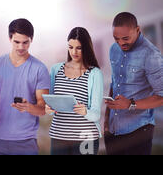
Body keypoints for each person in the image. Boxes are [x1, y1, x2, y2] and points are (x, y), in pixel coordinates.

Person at [0, 18, 50, 155]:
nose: (21, 47)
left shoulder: (40, 69)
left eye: (25, 42)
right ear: (10, 38)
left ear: (31, 39)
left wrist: (29, 107)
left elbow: (42, 109)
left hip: (26, 143)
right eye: (17, 42)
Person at [104, 12, 163, 155]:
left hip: (138, 132)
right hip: (113, 132)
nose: (121, 43)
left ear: (138, 30)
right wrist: (106, 120)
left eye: (125, 38)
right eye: (116, 38)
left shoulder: (151, 55)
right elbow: (115, 83)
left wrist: (130, 104)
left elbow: (161, 96)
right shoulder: (114, 50)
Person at [45, 27, 103, 155]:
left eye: (79, 48)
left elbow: (96, 114)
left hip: (85, 137)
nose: (74, 52)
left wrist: (85, 112)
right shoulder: (56, 69)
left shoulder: (94, 73)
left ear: (86, 48)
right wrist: (48, 109)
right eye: (70, 47)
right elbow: (51, 102)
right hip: (59, 135)